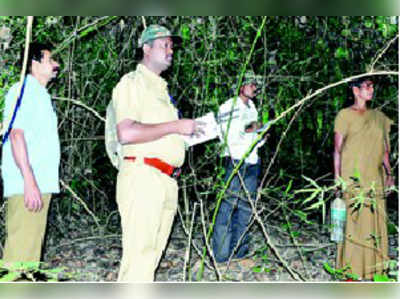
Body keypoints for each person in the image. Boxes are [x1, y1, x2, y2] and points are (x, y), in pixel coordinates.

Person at [112, 24, 202, 282]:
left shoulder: (161, 90)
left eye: (172, 46)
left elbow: (159, 133)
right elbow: (127, 133)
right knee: (138, 258)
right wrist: (176, 126)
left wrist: (185, 135)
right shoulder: (132, 83)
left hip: (167, 180)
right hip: (143, 176)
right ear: (146, 48)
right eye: (165, 44)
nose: (171, 50)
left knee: (150, 258)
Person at [1, 43, 60, 264]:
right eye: (50, 60)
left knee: (29, 253)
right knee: (20, 258)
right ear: (34, 64)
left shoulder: (39, 95)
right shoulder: (23, 92)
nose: (56, 65)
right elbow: (16, 136)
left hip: (39, 183)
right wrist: (29, 182)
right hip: (28, 185)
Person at [333, 77, 394, 280]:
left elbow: (385, 150)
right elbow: (337, 150)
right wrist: (338, 179)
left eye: (372, 86)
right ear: (356, 90)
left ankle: (375, 271)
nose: (371, 90)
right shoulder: (344, 115)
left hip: (374, 178)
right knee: (354, 223)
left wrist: (390, 174)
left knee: (375, 222)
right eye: (367, 86)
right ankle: (350, 271)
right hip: (353, 178)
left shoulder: (379, 117)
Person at [212, 71, 266, 266]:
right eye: (251, 84)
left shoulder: (252, 107)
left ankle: (240, 252)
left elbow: (253, 137)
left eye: (255, 85)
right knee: (227, 208)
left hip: (252, 162)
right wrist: (249, 128)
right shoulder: (228, 107)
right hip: (235, 162)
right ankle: (221, 254)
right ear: (241, 86)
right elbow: (228, 137)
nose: (254, 88)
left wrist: (261, 136)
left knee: (245, 208)